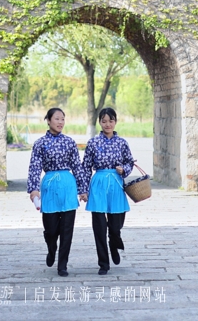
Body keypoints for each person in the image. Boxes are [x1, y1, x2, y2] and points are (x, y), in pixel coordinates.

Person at [27, 107, 89, 277]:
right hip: (49, 187)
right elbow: (34, 167)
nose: (60, 122)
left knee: (67, 230)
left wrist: (83, 190)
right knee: (51, 229)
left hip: (68, 187)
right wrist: (34, 189)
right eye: (57, 119)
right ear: (48, 120)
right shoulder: (40, 143)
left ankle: (63, 265)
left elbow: (77, 166)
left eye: (63, 119)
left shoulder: (69, 142)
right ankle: (51, 247)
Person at [82, 107, 135, 275]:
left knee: (116, 225)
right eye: (104, 121)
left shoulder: (122, 143)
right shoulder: (93, 143)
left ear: (115, 122)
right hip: (98, 183)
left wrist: (124, 169)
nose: (107, 124)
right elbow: (85, 167)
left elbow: (130, 162)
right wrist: (83, 189)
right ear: (99, 122)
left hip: (116, 184)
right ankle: (103, 263)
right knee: (99, 227)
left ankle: (114, 242)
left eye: (111, 121)